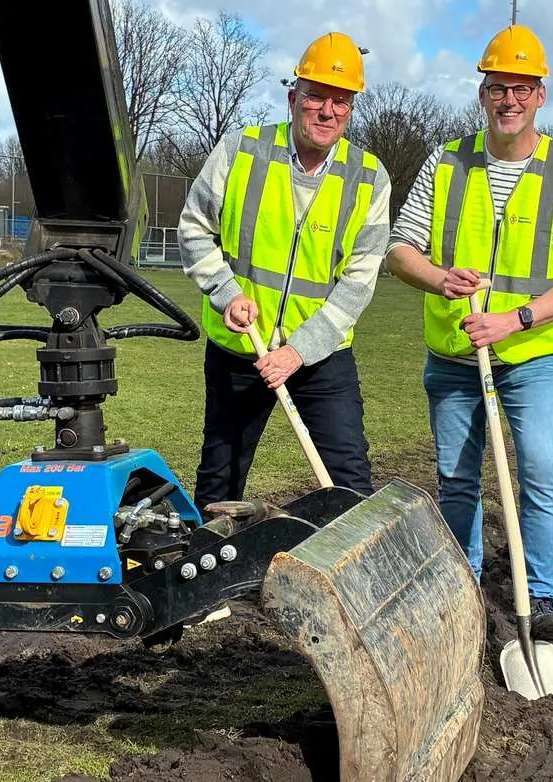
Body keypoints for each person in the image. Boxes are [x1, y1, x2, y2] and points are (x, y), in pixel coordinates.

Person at [385, 23, 553, 642]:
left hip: (533, 354)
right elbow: (402, 249)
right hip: (455, 354)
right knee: (457, 477)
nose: (509, 100)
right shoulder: (445, 160)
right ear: (483, 94)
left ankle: (542, 597)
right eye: (497, 89)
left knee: (538, 469)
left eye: (521, 89)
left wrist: (516, 319)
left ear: (540, 95)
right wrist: (438, 279)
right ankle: (463, 590)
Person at [178, 31, 392, 514]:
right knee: (220, 478)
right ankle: (209, 583)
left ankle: (344, 584)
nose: (327, 110)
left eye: (341, 101)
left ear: (352, 108)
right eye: (316, 95)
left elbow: (358, 284)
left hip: (321, 355)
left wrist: (299, 350)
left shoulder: (370, 177)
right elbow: (193, 229)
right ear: (294, 97)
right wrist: (226, 292)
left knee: (349, 484)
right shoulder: (241, 151)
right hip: (241, 349)